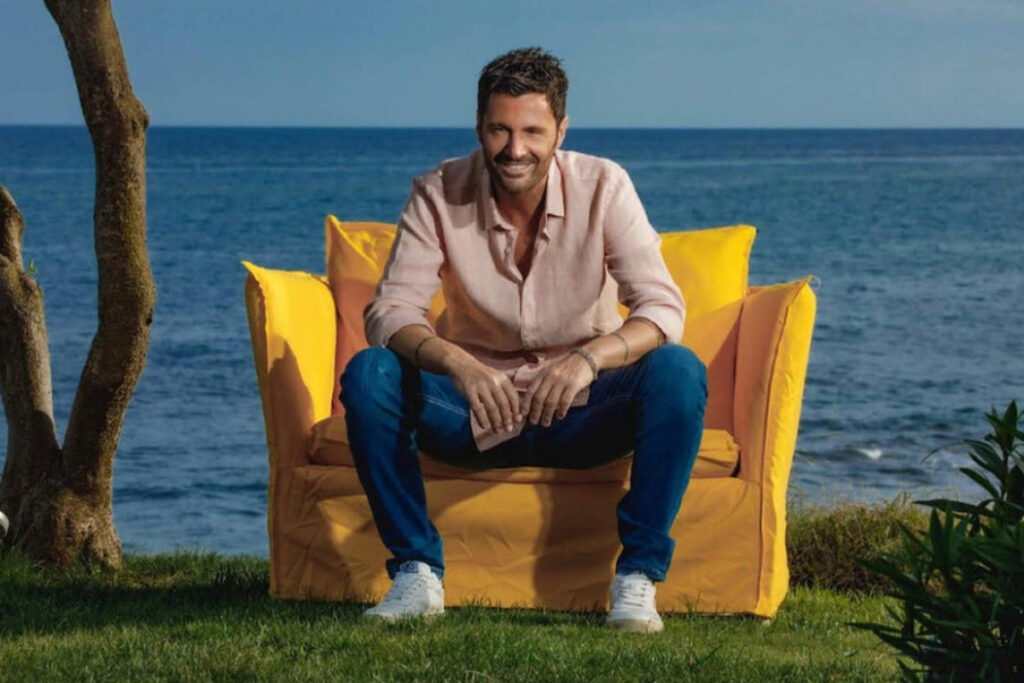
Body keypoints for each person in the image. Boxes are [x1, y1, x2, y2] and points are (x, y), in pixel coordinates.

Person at [340, 47, 707, 633]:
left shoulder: (605, 186)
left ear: (560, 130)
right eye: (500, 130)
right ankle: (416, 572)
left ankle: (637, 578)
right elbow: (390, 311)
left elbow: (661, 308)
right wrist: (458, 365)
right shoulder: (438, 191)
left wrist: (588, 360)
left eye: (532, 131)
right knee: (370, 374)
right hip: (472, 412)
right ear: (479, 127)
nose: (515, 150)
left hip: (582, 413)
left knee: (678, 371)